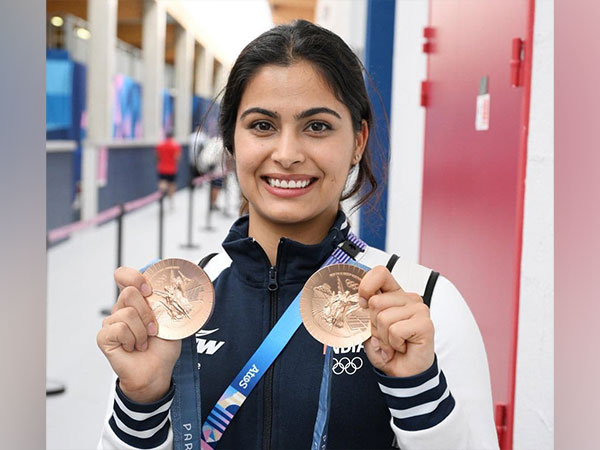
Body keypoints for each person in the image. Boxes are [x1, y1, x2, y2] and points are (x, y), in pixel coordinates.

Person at [97, 20, 498, 449]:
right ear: (231, 140)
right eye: (262, 126)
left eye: (318, 126)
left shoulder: (424, 303)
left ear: (358, 141)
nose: (287, 155)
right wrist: (141, 404)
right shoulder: (173, 306)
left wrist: (419, 393)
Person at [156, 130, 181, 209]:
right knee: (172, 185)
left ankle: (162, 196)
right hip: (172, 169)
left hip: (162, 168)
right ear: (172, 136)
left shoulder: (160, 145)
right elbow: (177, 158)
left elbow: (157, 157)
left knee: (162, 183)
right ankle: (171, 201)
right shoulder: (176, 146)